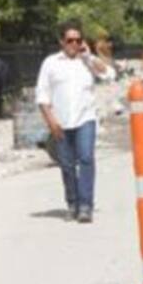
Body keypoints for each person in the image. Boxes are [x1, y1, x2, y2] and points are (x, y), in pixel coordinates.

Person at [35, 21, 116, 222]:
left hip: (85, 119)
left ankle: (86, 206)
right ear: (61, 41)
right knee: (67, 165)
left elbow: (109, 74)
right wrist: (51, 123)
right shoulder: (50, 63)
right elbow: (42, 96)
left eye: (78, 40)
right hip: (61, 121)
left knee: (87, 158)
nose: (74, 44)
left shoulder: (87, 61)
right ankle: (73, 202)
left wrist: (88, 56)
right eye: (70, 40)